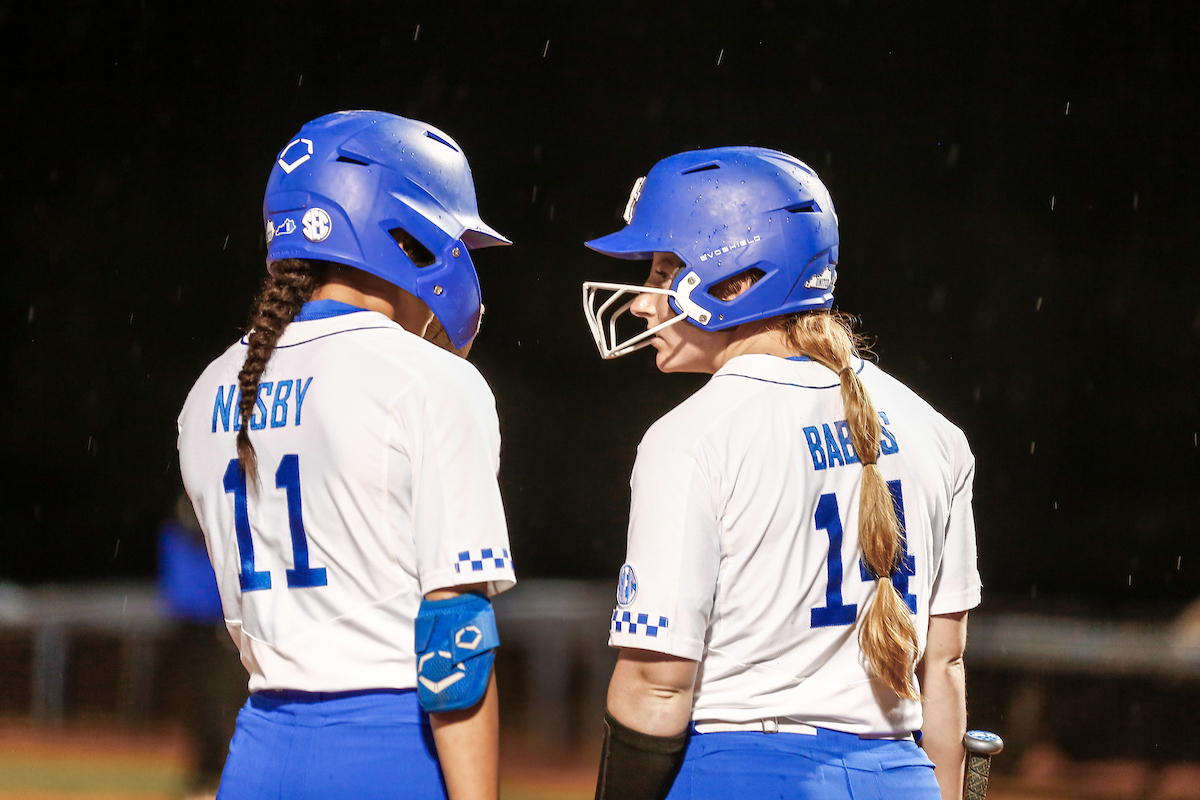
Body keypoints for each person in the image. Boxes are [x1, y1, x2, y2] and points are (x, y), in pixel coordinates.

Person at [581, 146, 980, 800]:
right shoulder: (935, 430)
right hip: (900, 778)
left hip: (746, 774)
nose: (643, 304)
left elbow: (656, 686)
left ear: (736, 281)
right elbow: (944, 662)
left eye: (662, 271)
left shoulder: (692, 435)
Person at [177, 110, 516, 800]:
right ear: (408, 232)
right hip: (391, 748)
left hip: (260, 749)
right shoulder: (429, 380)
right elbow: (455, 636)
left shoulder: (209, 388)